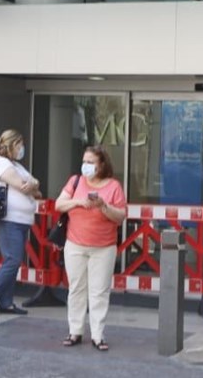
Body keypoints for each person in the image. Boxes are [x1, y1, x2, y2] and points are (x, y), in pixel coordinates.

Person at [55, 145, 125, 352]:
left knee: (99, 291)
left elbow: (120, 216)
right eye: (84, 161)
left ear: (101, 164)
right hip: (75, 244)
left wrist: (103, 205)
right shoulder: (75, 181)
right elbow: (59, 204)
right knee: (76, 288)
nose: (86, 165)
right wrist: (79, 202)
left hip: (104, 247)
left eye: (91, 162)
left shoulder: (114, 186)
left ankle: (97, 335)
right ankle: (75, 331)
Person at [0, 129, 40, 315]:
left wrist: (33, 185)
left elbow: (36, 188)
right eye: (19, 144)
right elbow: (23, 186)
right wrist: (33, 184)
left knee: (13, 262)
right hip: (9, 220)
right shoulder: (1, 163)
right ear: (11, 144)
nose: (22, 148)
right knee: (12, 260)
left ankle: (6, 302)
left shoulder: (16, 165)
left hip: (21, 221)